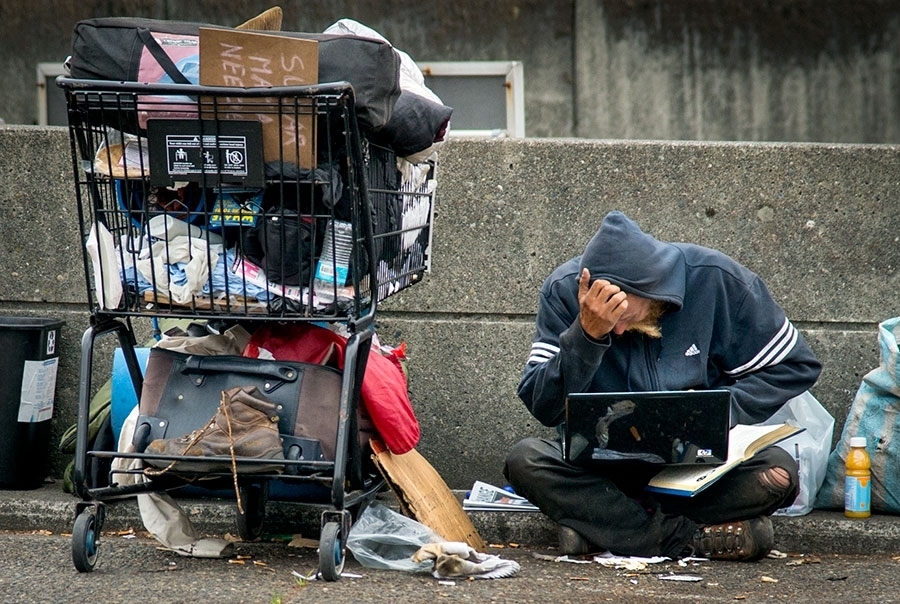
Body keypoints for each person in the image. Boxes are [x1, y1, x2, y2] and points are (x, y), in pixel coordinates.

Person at [504, 211, 821, 561]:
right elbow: (542, 405)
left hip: (697, 468)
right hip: (604, 471)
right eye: (609, 321)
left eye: (625, 316)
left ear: (652, 291)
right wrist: (587, 334)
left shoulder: (717, 279)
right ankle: (687, 540)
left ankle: (608, 530)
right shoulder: (564, 290)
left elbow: (796, 365)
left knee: (777, 474)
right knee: (526, 460)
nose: (619, 330)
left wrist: (717, 408)